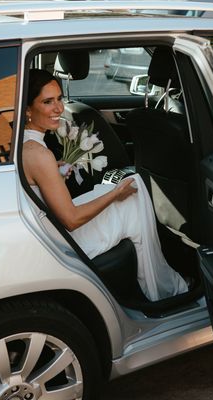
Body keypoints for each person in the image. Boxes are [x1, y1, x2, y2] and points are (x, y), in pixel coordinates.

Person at [22, 68, 188, 302]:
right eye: (48, 101)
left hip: (48, 228)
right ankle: (162, 290)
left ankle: (158, 284)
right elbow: (71, 220)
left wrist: (54, 176)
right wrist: (116, 194)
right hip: (61, 240)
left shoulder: (24, 144)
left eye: (59, 98)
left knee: (128, 190)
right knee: (133, 194)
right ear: (28, 109)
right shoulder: (38, 154)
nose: (59, 108)